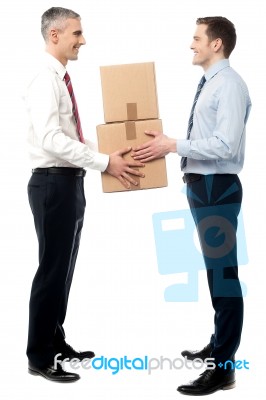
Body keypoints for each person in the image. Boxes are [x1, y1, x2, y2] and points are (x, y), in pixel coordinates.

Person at [24, 7, 145, 383]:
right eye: (77, 33)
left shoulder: (60, 79)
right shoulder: (45, 79)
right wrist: (104, 162)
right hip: (52, 183)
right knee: (51, 271)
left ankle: (55, 342)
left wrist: (107, 153)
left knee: (64, 269)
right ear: (55, 35)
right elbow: (51, 140)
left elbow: (71, 137)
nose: (83, 40)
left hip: (69, 181)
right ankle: (40, 356)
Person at [132, 16, 251, 395]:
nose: (191, 44)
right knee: (216, 274)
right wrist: (171, 145)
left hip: (217, 187)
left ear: (216, 44)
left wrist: (173, 146)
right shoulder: (211, 83)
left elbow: (225, 146)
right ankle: (218, 347)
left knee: (224, 278)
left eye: (197, 38)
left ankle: (224, 369)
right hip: (202, 187)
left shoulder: (229, 85)